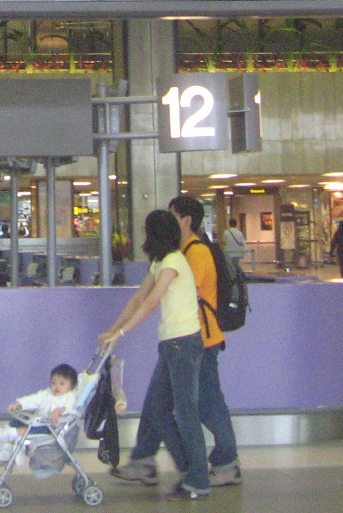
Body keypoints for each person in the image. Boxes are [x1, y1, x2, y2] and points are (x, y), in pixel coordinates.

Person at [114, 197, 241, 492]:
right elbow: (145, 296)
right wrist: (116, 329)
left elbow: (163, 296)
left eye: (173, 216)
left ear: (185, 221)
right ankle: (149, 460)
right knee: (160, 405)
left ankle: (222, 464)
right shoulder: (173, 254)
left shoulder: (191, 254)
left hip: (198, 341)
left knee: (205, 406)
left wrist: (121, 332)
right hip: (180, 341)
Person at [98, 210, 209, 501]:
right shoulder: (159, 261)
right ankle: (188, 470)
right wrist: (112, 330)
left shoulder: (173, 261)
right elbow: (138, 298)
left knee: (186, 414)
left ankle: (198, 480)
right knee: (157, 411)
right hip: (171, 345)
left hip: (184, 345)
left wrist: (121, 335)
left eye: (146, 230)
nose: (143, 235)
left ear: (154, 233)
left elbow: (151, 303)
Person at [0, 362, 79, 462]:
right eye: (53, 382)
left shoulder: (70, 396)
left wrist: (57, 411)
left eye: (62, 383)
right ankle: (7, 449)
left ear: (72, 386)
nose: (56, 386)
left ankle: (11, 433)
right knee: (18, 420)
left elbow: (68, 408)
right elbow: (33, 399)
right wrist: (18, 403)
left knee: (29, 428)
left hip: (51, 427)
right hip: (37, 421)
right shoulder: (47, 394)